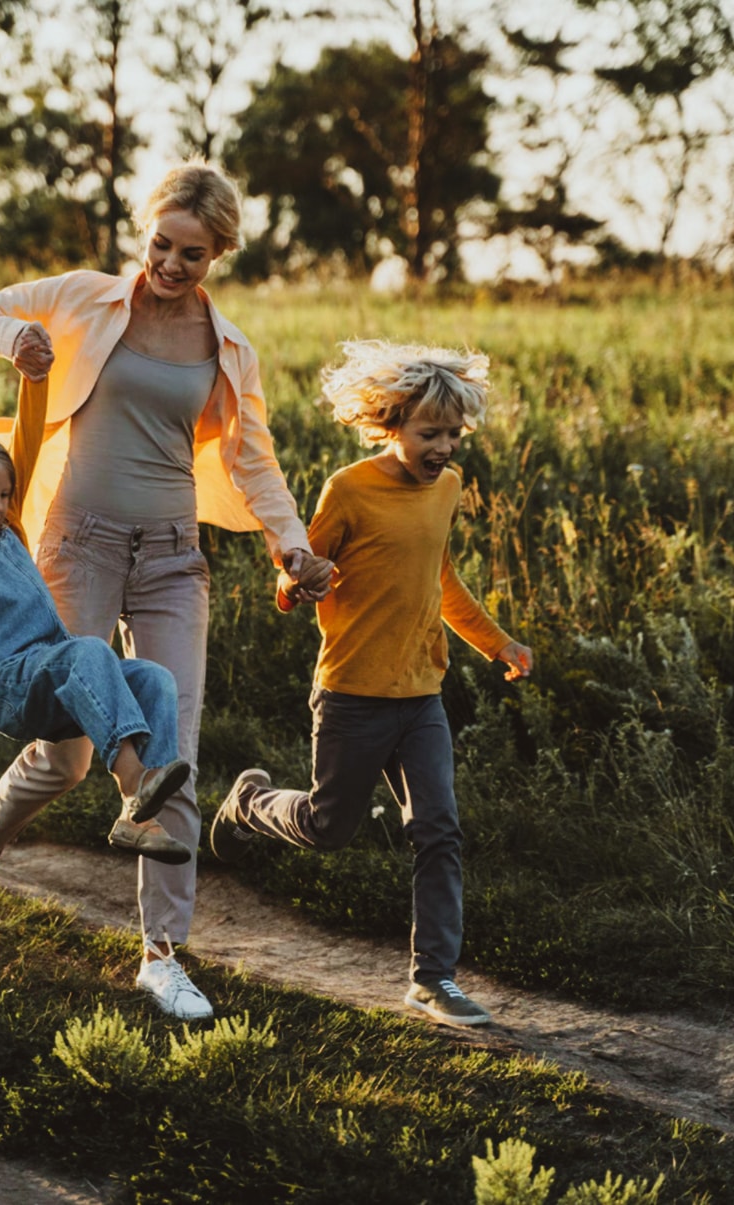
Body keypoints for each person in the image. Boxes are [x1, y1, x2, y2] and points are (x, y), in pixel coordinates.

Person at [0, 162, 333, 1020]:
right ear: (145, 233)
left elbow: (252, 461)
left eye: (192, 253)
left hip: (171, 557)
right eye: (160, 243)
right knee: (68, 751)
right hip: (76, 544)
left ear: (218, 253)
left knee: (170, 752)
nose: (170, 263)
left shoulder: (227, 348)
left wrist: (292, 546)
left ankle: (161, 955)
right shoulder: (87, 297)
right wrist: (17, 342)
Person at [208, 339, 533, 1028]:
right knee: (329, 828)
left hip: (421, 693)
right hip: (353, 692)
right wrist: (301, 581)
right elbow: (293, 579)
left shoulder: (446, 489)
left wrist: (497, 642)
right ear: (391, 424)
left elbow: (442, 581)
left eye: (453, 432)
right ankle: (250, 801)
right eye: (429, 433)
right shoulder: (348, 489)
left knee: (439, 829)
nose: (443, 446)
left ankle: (433, 978)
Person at [0, 377, 196, 936]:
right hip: (6, 689)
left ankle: (140, 814)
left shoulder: (10, 528)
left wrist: (35, 377)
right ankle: (132, 785)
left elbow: (24, 442)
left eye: (4, 494)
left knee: (153, 679)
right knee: (89, 652)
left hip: (50, 676)